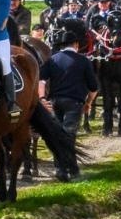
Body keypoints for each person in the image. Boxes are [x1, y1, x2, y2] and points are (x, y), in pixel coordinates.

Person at [39, 19, 98, 182]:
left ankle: (61, 168)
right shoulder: (84, 61)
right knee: (69, 136)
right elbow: (94, 88)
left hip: (55, 102)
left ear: (62, 45)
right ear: (76, 45)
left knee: (58, 134)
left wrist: (42, 98)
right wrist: (89, 103)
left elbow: (41, 81)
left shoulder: (52, 60)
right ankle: (71, 170)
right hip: (74, 103)